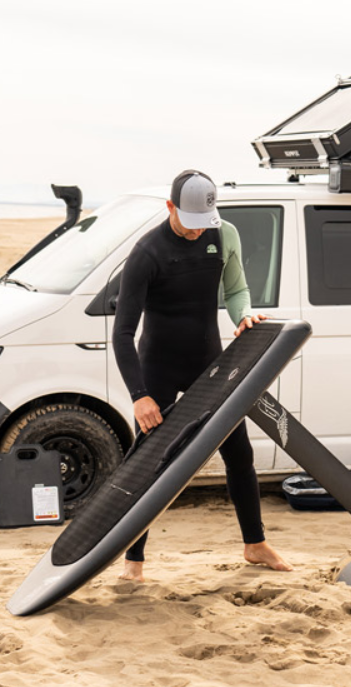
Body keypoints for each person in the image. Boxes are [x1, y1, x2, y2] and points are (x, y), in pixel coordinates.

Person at [111, 170, 292, 583]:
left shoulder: (223, 233)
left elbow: (237, 290)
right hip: (157, 365)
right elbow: (122, 334)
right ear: (171, 207)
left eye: (202, 224)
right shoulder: (147, 253)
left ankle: (254, 544)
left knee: (239, 453)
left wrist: (244, 315)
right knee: (147, 463)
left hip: (207, 359)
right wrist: (140, 395)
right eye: (188, 223)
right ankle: (133, 562)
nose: (196, 233)